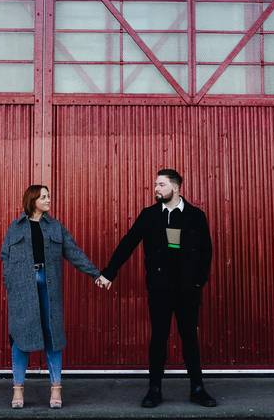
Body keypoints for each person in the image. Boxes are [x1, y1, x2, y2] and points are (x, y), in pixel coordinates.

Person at [95, 169, 216, 408]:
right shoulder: (150, 216)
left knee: (190, 337)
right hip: (160, 289)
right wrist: (109, 272)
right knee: (159, 338)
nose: (156, 189)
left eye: (161, 184)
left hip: (187, 290)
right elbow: (128, 243)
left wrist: (197, 282)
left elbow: (206, 252)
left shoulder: (195, 216)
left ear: (176, 187)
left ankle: (198, 388)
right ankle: (154, 389)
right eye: (155, 185)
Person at [0, 185, 102, 409]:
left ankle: (56, 388)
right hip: (22, 287)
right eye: (44, 197)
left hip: (48, 284)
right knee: (21, 337)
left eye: (48, 196)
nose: (48, 200)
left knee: (53, 335)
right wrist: (11, 283)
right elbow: (5, 256)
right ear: (33, 200)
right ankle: (18, 390)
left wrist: (96, 273)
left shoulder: (55, 227)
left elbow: (74, 252)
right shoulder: (15, 228)